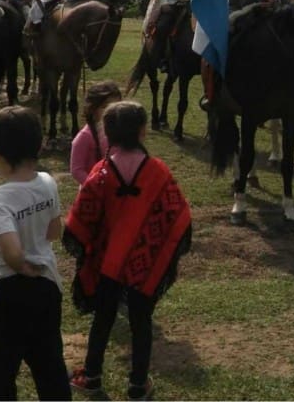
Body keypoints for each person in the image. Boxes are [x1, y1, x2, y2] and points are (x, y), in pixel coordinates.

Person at [64, 101, 193, 402]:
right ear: (143, 131)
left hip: (108, 265)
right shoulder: (158, 172)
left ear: (108, 135)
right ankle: (138, 386)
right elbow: (178, 217)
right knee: (141, 322)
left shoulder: (101, 172)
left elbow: (81, 218)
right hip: (144, 266)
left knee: (103, 317)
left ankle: (92, 375)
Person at [0, 106, 72, 401]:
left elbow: (12, 252)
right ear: (41, 144)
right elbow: (54, 231)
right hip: (48, 285)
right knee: (50, 363)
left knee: (2, 368)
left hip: (12, 291)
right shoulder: (47, 182)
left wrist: (22, 265)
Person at [70, 81, 123, 186]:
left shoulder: (120, 131)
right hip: (95, 195)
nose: (111, 111)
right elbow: (77, 170)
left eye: (116, 106)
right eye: (105, 107)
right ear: (92, 109)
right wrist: (95, 186)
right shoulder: (85, 136)